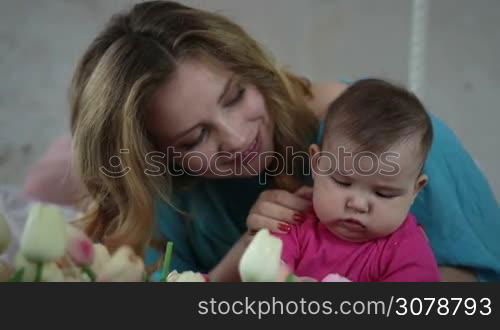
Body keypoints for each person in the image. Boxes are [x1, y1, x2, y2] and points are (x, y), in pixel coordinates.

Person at [23, 1, 499, 281]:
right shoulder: (164, 195)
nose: (237, 138)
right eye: (195, 138)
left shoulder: (382, 134)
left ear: (256, 72)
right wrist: (242, 260)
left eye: (236, 96)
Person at [275, 79, 440, 282]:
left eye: (383, 193)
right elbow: (267, 266)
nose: (358, 204)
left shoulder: (408, 250)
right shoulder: (297, 223)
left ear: (415, 191)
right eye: (342, 182)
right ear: (317, 165)